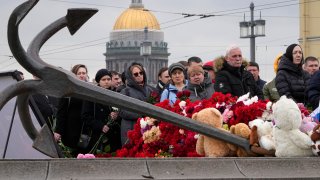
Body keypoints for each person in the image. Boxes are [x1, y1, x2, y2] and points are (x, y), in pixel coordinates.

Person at [81, 69, 121, 153]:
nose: (106, 82)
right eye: (103, 80)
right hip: (97, 137)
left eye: (108, 79)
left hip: (113, 137)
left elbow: (121, 113)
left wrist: (116, 116)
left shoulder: (116, 95)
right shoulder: (91, 96)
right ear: (99, 81)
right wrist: (100, 126)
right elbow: (85, 116)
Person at [54, 64, 89, 154]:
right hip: (70, 130)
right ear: (74, 74)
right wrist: (58, 131)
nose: (82, 75)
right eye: (79, 73)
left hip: (86, 130)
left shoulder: (89, 89)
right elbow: (61, 112)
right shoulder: (67, 90)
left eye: (84, 73)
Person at [119, 63, 157, 145]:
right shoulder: (125, 92)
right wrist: (142, 114)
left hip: (149, 129)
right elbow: (122, 111)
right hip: (131, 128)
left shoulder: (151, 91)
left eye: (141, 73)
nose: (139, 75)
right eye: (136, 74)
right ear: (130, 76)